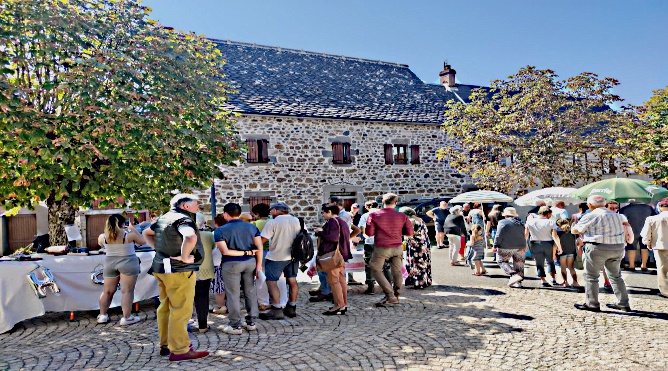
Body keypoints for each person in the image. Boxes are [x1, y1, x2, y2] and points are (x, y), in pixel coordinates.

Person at [143, 194, 209, 361]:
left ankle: (166, 345)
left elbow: (146, 232)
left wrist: (159, 251)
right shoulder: (183, 219)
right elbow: (190, 236)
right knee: (180, 310)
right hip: (179, 270)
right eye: (195, 205)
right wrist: (185, 256)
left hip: (161, 268)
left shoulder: (163, 218)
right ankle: (180, 350)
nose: (197, 208)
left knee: (165, 307)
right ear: (186, 206)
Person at [573, 195, 631, 312]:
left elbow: (576, 230)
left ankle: (592, 304)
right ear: (604, 204)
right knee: (616, 276)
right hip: (617, 248)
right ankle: (623, 303)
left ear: (590, 205)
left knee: (591, 276)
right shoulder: (619, 216)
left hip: (597, 247)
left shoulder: (591, 215)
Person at [214, 203, 262, 334]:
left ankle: (235, 325)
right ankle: (251, 321)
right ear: (239, 213)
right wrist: (258, 264)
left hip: (231, 264)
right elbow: (259, 247)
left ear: (226, 214)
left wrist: (243, 253)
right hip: (250, 262)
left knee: (232, 294)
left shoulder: (220, 230)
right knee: (250, 292)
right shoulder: (251, 227)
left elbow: (225, 251)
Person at [365, 193, 414, 307]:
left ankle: (390, 295)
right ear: (395, 203)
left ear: (383, 202)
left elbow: (369, 233)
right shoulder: (402, 216)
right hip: (397, 246)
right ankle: (396, 295)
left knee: (375, 268)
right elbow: (410, 233)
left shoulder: (374, 215)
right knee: (397, 271)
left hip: (382, 246)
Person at [96, 214, 146, 326]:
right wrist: (133, 229)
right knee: (127, 291)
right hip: (128, 262)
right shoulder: (129, 235)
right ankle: (126, 317)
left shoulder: (102, 237)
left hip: (110, 262)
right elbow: (143, 241)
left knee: (107, 291)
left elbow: (100, 244)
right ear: (123, 224)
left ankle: (103, 315)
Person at [259, 202, 301, 320]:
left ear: (276, 210)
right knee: (292, 281)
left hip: (276, 256)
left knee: (272, 282)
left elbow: (262, 240)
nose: (270, 213)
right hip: (293, 256)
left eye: (271, 211)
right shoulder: (297, 220)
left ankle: (276, 309)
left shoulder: (272, 222)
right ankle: (291, 307)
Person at [315, 204, 351, 315]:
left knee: (334, 280)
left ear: (329, 211)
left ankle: (338, 305)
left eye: (323, 212)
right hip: (341, 255)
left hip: (334, 256)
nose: (322, 215)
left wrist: (320, 232)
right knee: (341, 280)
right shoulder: (343, 221)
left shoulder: (332, 221)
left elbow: (333, 237)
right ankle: (343, 304)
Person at [357, 200, 391, 295]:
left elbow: (362, 230)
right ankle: (388, 285)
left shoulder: (365, 216)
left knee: (369, 264)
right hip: (383, 242)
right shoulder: (385, 215)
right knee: (385, 264)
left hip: (370, 241)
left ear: (367, 207)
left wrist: (366, 237)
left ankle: (371, 286)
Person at [525, 206, 563, 287]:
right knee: (550, 261)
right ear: (548, 214)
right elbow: (555, 236)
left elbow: (526, 235)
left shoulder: (530, 222)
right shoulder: (551, 222)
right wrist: (559, 247)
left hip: (535, 243)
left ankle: (543, 280)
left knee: (539, 263)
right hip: (548, 243)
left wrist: (524, 244)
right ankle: (553, 278)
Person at [190, 212, 215, 333]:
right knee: (203, 298)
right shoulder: (208, 235)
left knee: (187, 298)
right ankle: (202, 325)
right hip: (204, 270)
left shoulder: (181, 235)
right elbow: (213, 247)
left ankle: (186, 323)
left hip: (188, 270)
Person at [640, 198, 668, 299]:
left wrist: (647, 243)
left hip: (660, 246)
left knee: (662, 269)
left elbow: (646, 234)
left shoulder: (652, 219)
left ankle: (665, 291)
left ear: (660, 207)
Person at [493, 207, 528, 287]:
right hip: (521, 246)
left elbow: (499, 235)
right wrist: (525, 244)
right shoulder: (521, 222)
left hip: (506, 246)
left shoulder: (502, 222)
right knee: (519, 263)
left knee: (501, 261)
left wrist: (495, 245)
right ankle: (519, 283)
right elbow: (525, 234)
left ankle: (514, 275)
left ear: (505, 215)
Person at [399, 207, 432, 289]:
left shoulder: (411, 221)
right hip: (424, 244)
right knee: (424, 263)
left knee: (416, 263)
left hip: (415, 245)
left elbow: (409, 234)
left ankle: (418, 282)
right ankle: (425, 281)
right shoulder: (420, 220)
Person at [620, 201, 657, 271]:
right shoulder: (649, 208)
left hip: (631, 231)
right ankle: (644, 265)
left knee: (631, 248)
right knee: (644, 248)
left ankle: (631, 265)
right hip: (646, 231)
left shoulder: (625, 209)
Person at [251, 203, 273, 311]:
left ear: (257, 214)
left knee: (260, 277)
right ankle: (276, 300)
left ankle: (263, 302)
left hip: (260, 251)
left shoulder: (255, 223)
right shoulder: (272, 222)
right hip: (273, 251)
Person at [210, 214, 228, 315]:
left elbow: (212, 250)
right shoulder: (231, 231)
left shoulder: (214, 233)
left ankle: (221, 306)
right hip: (230, 262)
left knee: (219, 286)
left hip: (217, 262)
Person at [555, 219, 580, 287]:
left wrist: (554, 253)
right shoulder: (573, 232)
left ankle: (565, 282)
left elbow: (555, 244)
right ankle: (575, 282)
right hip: (571, 252)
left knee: (563, 267)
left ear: (559, 225)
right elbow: (580, 242)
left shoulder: (558, 233)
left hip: (562, 252)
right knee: (571, 267)